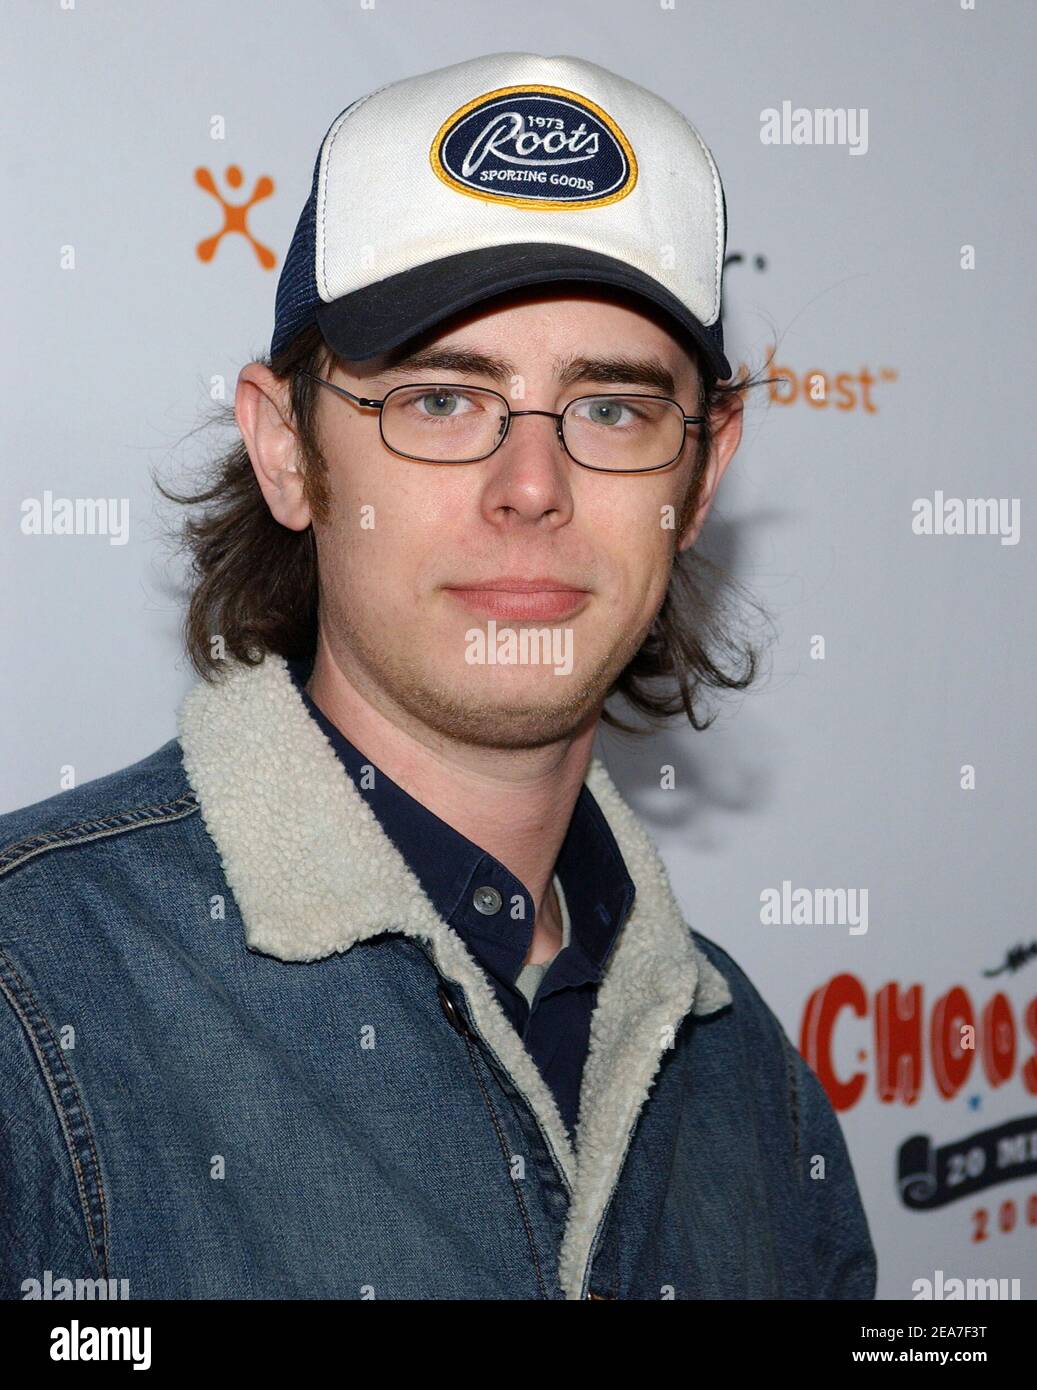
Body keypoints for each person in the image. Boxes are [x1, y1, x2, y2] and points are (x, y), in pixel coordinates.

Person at [0, 51, 876, 1300]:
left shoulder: (750, 1085)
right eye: (440, 401)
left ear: (701, 474)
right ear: (289, 453)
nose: (532, 487)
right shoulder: (30, 994)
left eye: (613, 410)